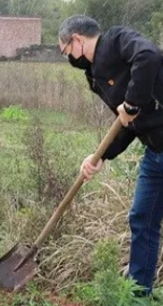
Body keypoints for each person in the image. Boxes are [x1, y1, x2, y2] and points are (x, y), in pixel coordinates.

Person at [59, 15, 163, 296]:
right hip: (155, 153)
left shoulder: (117, 40)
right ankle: (140, 293)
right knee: (142, 217)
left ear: (77, 40)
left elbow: (150, 55)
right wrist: (101, 155)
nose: (68, 57)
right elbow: (127, 124)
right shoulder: (95, 76)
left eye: (66, 50)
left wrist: (132, 102)